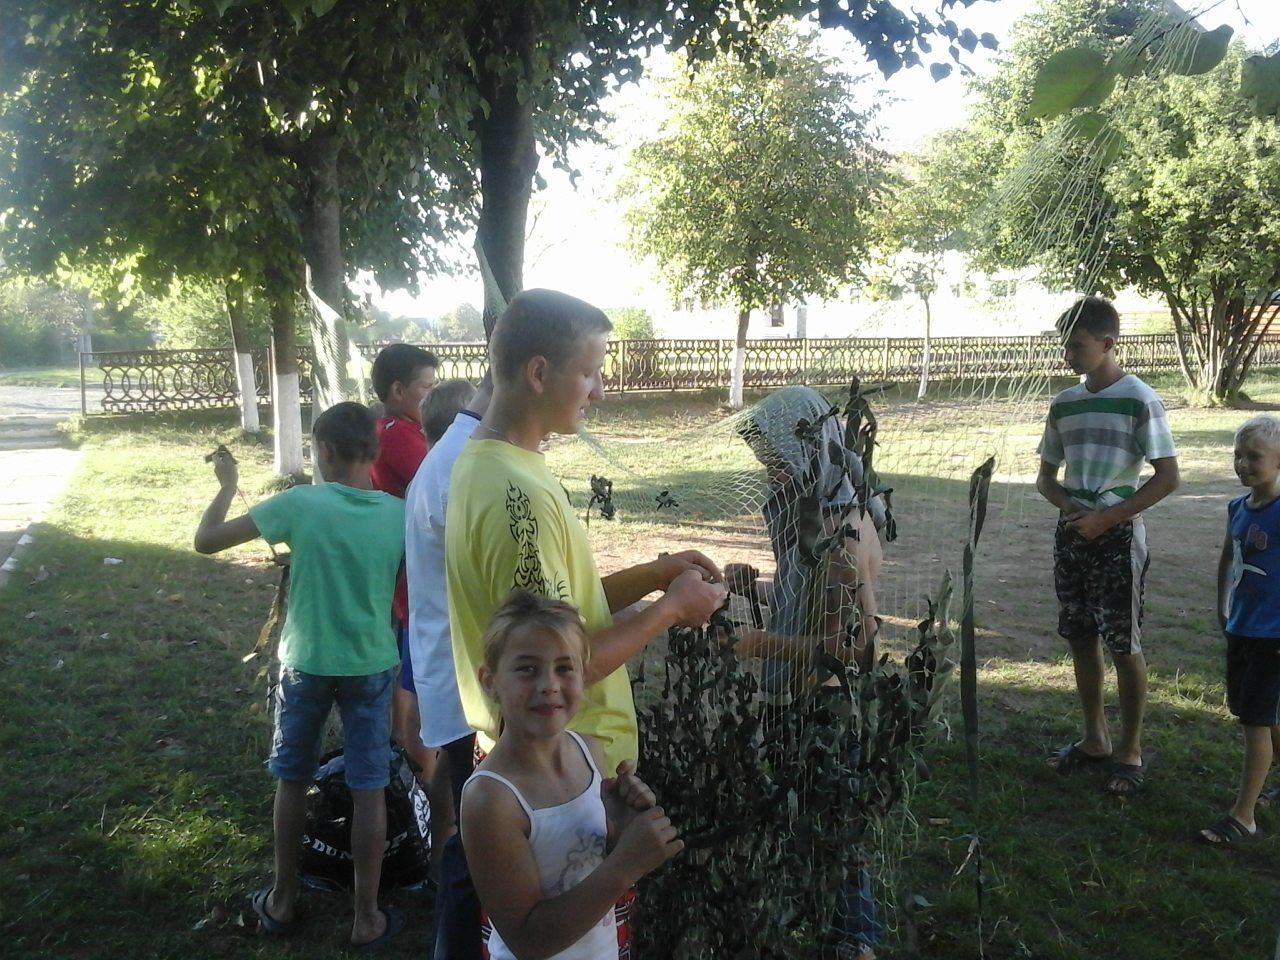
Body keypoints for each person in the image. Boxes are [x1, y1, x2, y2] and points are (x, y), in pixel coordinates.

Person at [445, 288, 727, 775]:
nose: (599, 391)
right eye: (589, 372)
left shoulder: (492, 465)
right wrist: (671, 609)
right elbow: (559, 666)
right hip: (563, 777)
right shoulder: (517, 495)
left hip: (561, 764)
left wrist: (652, 575)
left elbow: (561, 615)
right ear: (538, 373)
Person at [194, 402, 406, 950]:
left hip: (306, 663)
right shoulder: (399, 514)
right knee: (369, 789)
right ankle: (366, 916)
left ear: (325, 451)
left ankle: (283, 900)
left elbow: (207, 540)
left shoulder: (300, 503)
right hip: (372, 664)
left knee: (292, 779)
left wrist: (228, 485)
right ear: (374, 452)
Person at [726, 385, 887, 960]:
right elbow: (811, 606)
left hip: (825, 713)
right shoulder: (819, 517)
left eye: (775, 461)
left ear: (807, 451)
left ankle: (856, 940)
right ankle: (824, 923)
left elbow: (854, 646)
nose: (769, 474)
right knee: (808, 826)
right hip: (803, 704)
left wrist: (754, 643)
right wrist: (755, 592)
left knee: (835, 830)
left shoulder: (842, 534)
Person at [461, 590, 683, 960]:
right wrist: (625, 865)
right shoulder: (491, 799)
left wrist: (619, 828)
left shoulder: (589, 751)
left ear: (584, 676)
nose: (549, 684)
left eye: (565, 668)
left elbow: (582, 866)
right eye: (527, 668)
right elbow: (528, 940)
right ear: (489, 680)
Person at [1037, 295, 1180, 796]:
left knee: (1124, 644)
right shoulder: (1064, 403)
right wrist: (1070, 509)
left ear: (1108, 343)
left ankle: (1130, 750)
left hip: (1117, 538)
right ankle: (1094, 739)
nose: (1068, 356)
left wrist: (1107, 519)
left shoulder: (1140, 399)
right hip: (1073, 535)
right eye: (1065, 346)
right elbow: (1045, 478)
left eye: (1076, 346)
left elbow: (1168, 477)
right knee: (1080, 637)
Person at [404, 374, 487, 960]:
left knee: (470, 831)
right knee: (477, 846)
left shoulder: (450, 459)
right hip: (470, 689)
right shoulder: (467, 466)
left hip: (457, 680)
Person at [1200, 415, 1280, 844]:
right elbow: (1228, 559)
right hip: (1242, 627)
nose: (1243, 464)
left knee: (1255, 720)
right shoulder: (1237, 508)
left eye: (1254, 457)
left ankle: (1243, 816)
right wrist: (1222, 607)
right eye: (1237, 455)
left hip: (1274, 635)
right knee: (1256, 712)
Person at [369, 343, 440, 795]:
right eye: (426, 388)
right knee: (417, 679)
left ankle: (407, 755)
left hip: (408, 573)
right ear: (398, 391)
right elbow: (440, 480)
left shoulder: (396, 428)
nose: (431, 396)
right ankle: (421, 780)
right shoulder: (400, 434)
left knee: (409, 672)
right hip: (417, 576)